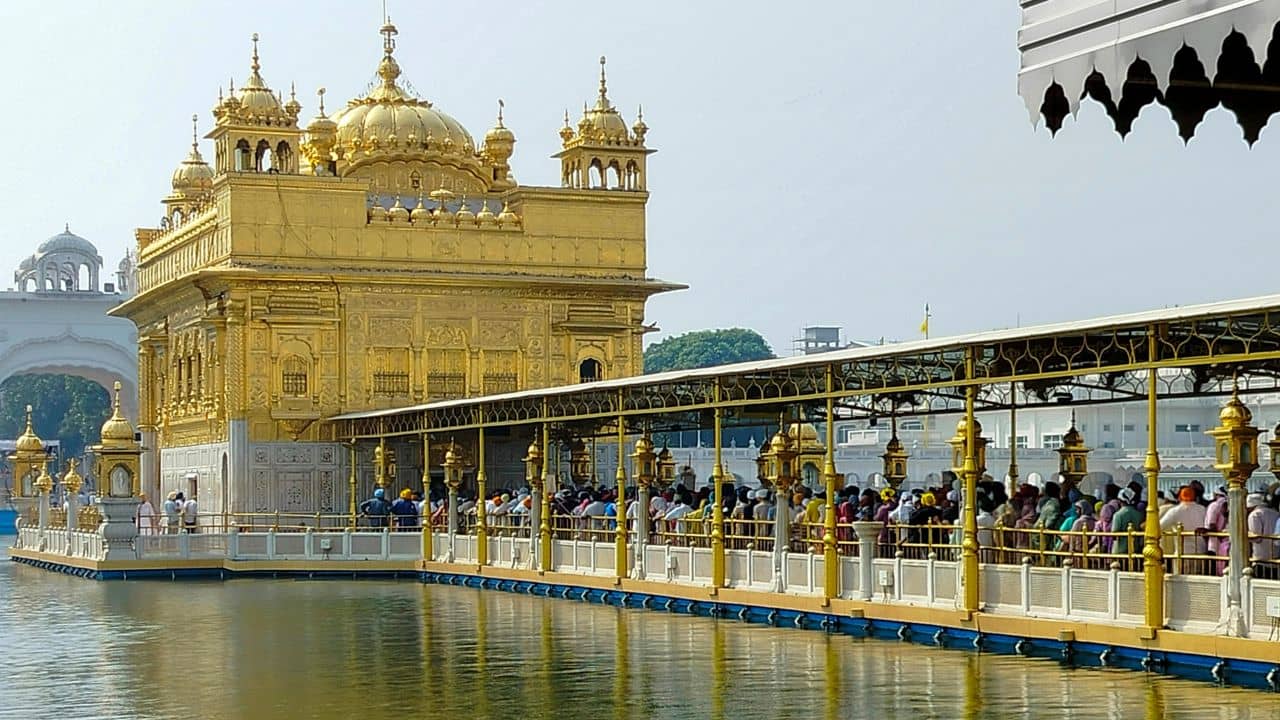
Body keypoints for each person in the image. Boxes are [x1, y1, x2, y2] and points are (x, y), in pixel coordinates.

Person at [1111, 488, 1143, 560]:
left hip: (1120, 551)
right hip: (1135, 549)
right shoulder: (1139, 514)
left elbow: (1114, 533)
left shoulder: (1118, 515)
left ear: (1120, 501)